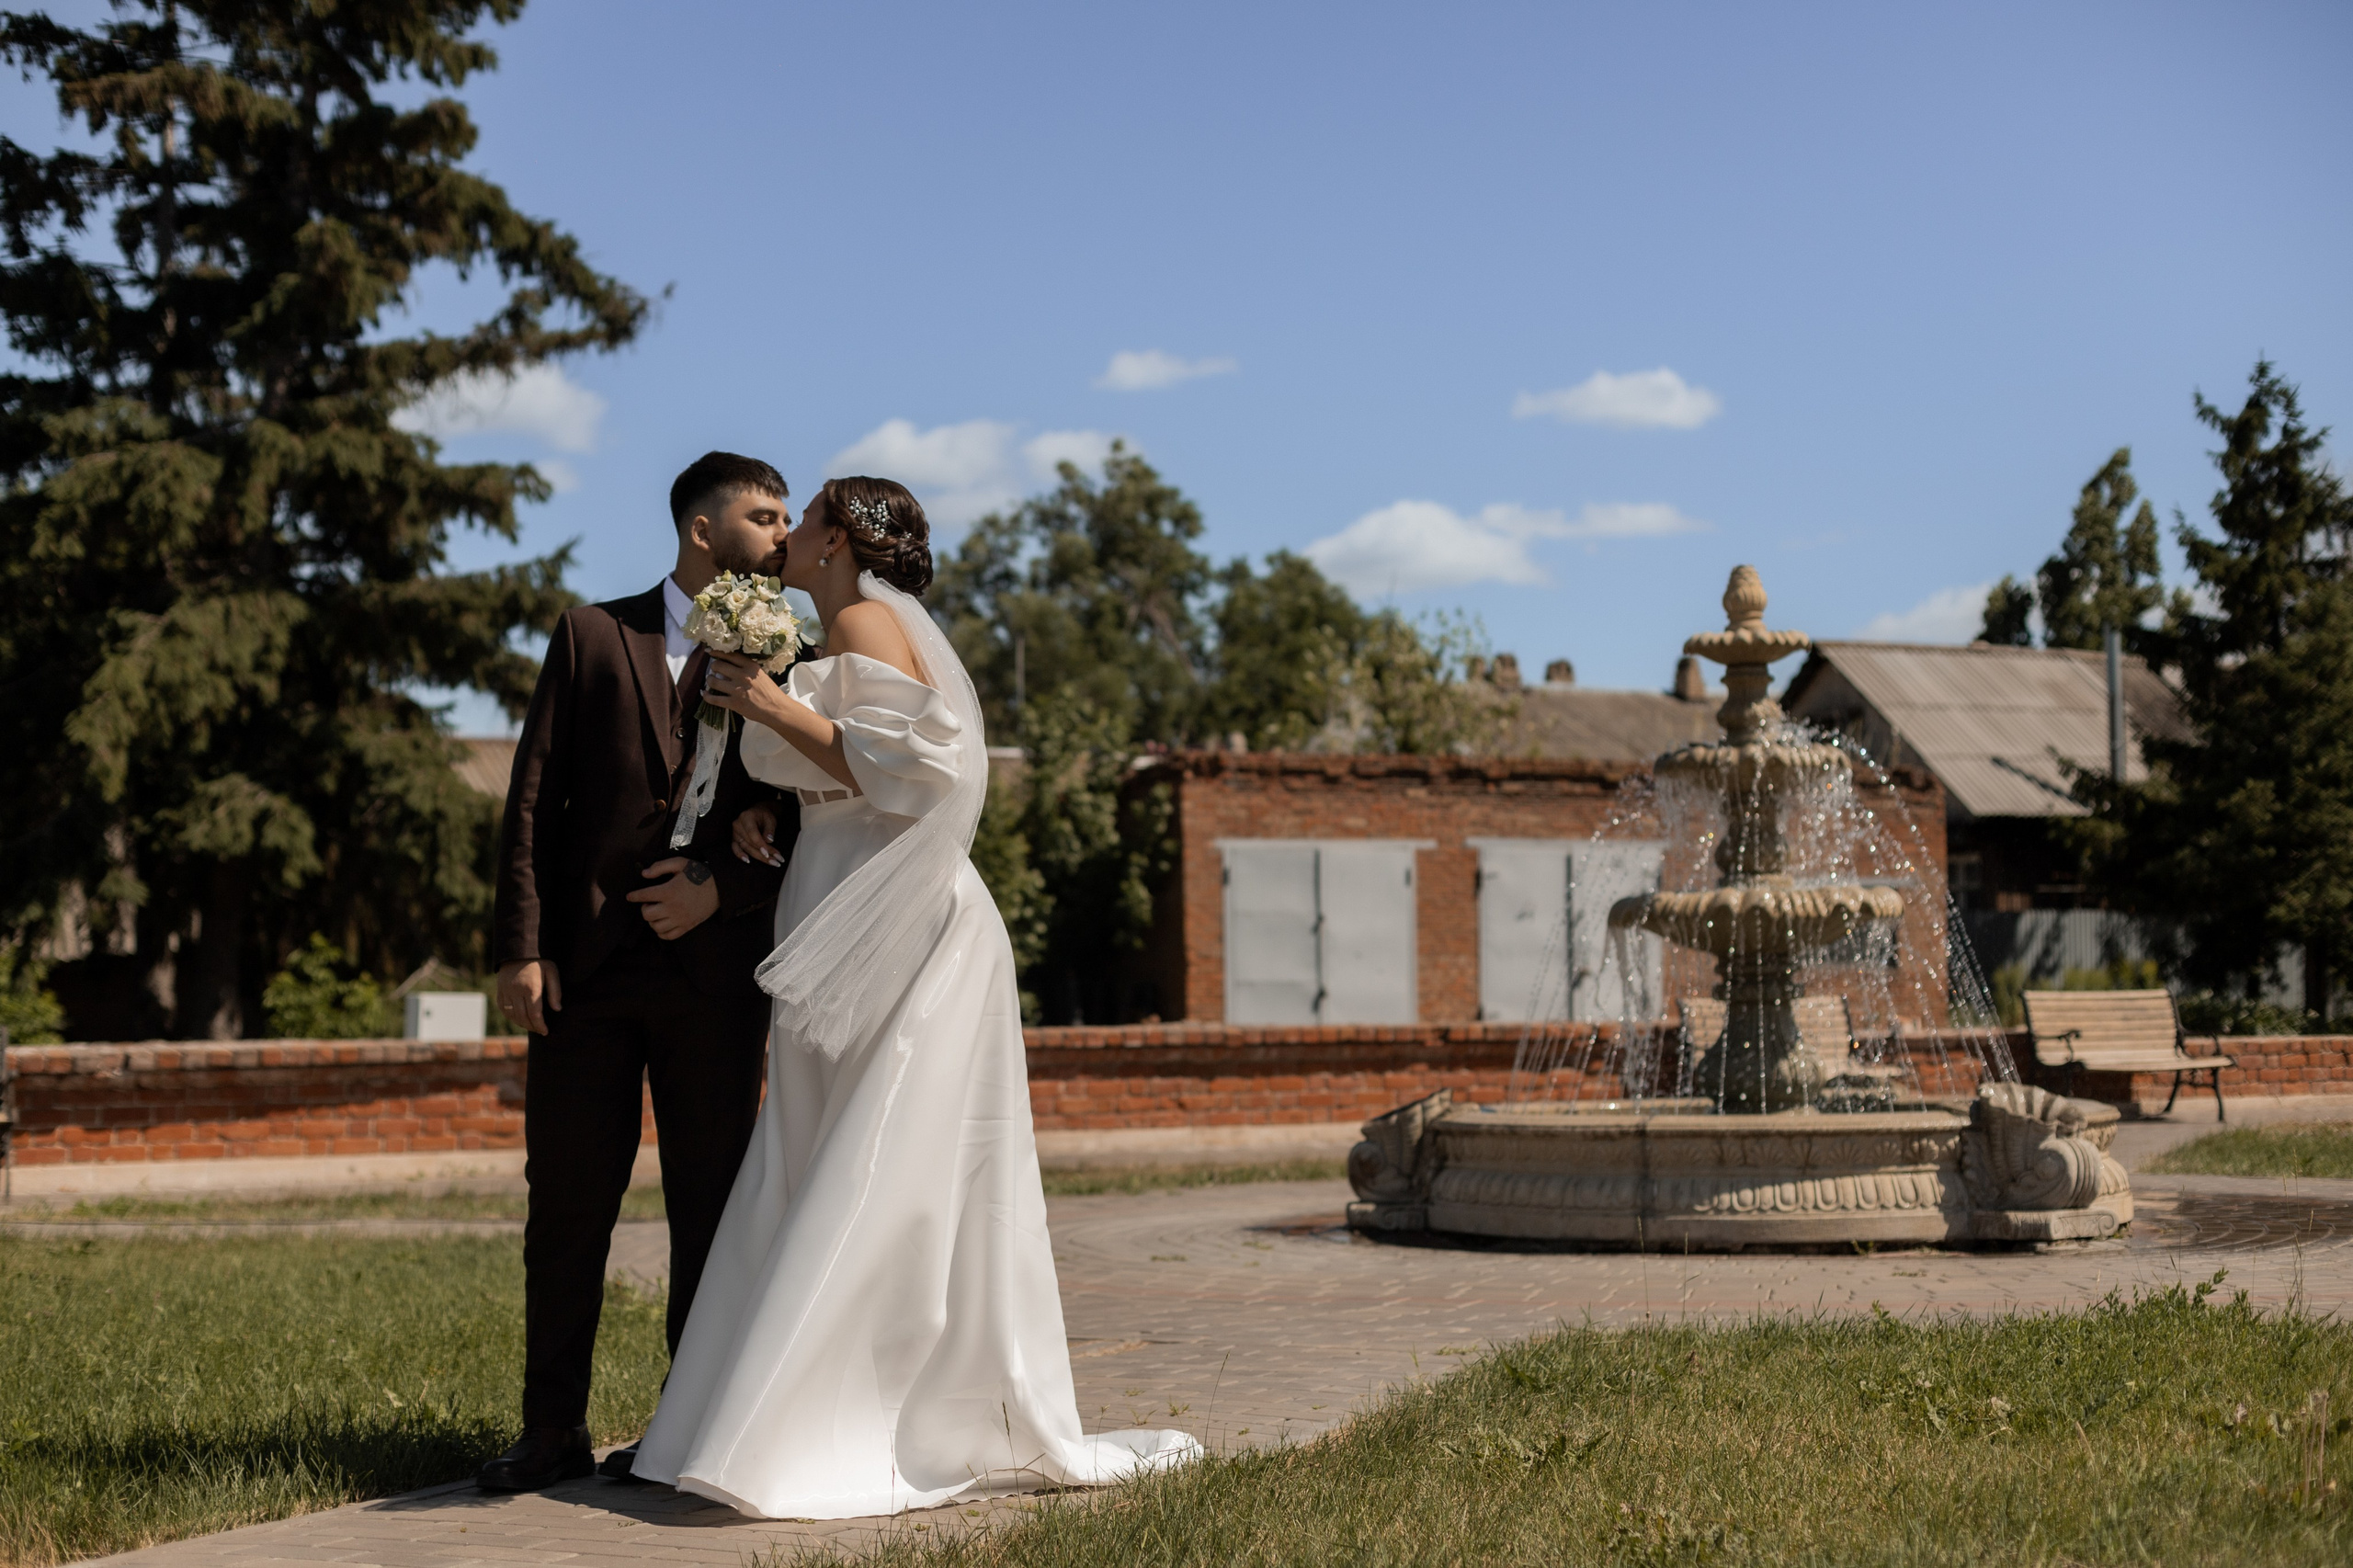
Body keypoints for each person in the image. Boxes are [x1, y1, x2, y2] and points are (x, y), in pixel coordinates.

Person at [629, 476, 1199, 1518]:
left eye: (806, 517)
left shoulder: (862, 619)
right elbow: (840, 771)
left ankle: (823, 1423)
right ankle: (774, 1412)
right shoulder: (839, 627)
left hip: (900, 915)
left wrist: (769, 703)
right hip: (836, 886)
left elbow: (922, 770)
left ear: (838, 540)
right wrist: (771, 812)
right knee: (821, 1143)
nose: (790, 532)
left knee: (873, 1151)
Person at [477, 453, 799, 1492]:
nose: (784, 532)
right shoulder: (591, 635)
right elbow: (533, 799)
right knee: (568, 1203)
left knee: (711, 1208)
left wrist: (723, 890)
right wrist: (520, 946)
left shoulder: (791, 656)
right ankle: (550, 1428)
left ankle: (685, 1433)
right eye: (765, 516)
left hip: (715, 981)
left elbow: (811, 812)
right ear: (703, 530)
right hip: (588, 974)